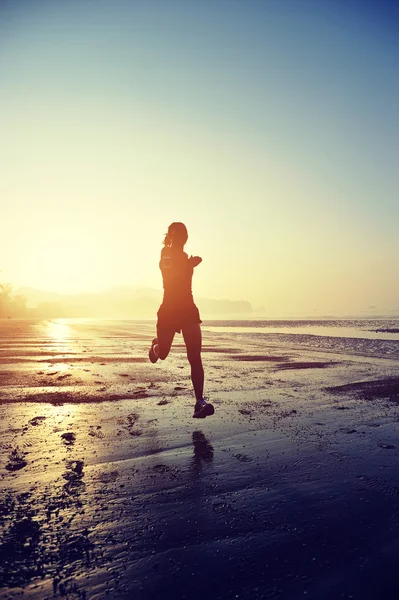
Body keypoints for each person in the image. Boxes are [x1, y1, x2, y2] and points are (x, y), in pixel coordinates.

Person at [149, 222, 214, 419]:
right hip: (169, 310)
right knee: (164, 354)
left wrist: (189, 262)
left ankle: (199, 402)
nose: (179, 238)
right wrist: (189, 264)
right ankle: (156, 347)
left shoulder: (185, 256)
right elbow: (172, 276)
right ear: (169, 237)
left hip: (188, 309)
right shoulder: (165, 253)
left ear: (186, 237)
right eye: (174, 235)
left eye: (182, 235)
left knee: (195, 356)